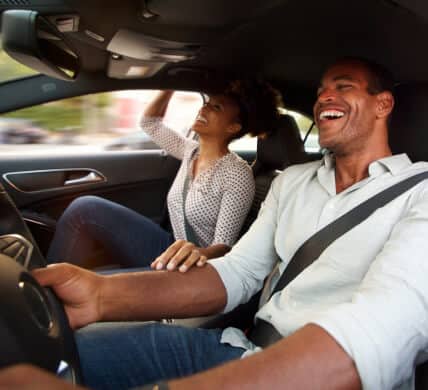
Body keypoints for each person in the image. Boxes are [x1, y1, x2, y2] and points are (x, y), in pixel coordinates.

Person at [2, 57, 428, 390]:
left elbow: (377, 334)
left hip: (319, 378)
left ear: (383, 104)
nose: (324, 98)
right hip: (242, 348)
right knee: (64, 356)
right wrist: (100, 295)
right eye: (321, 91)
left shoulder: (420, 194)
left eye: (344, 87)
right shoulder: (294, 182)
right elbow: (236, 273)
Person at [46, 81, 280, 272]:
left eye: (216, 108)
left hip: (192, 265)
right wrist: (168, 85)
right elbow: (149, 123)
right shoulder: (190, 151)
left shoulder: (237, 174)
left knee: (93, 279)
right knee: (84, 208)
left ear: (233, 128)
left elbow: (223, 246)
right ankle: (48, 282)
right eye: (207, 103)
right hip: (168, 244)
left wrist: (194, 254)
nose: (204, 108)